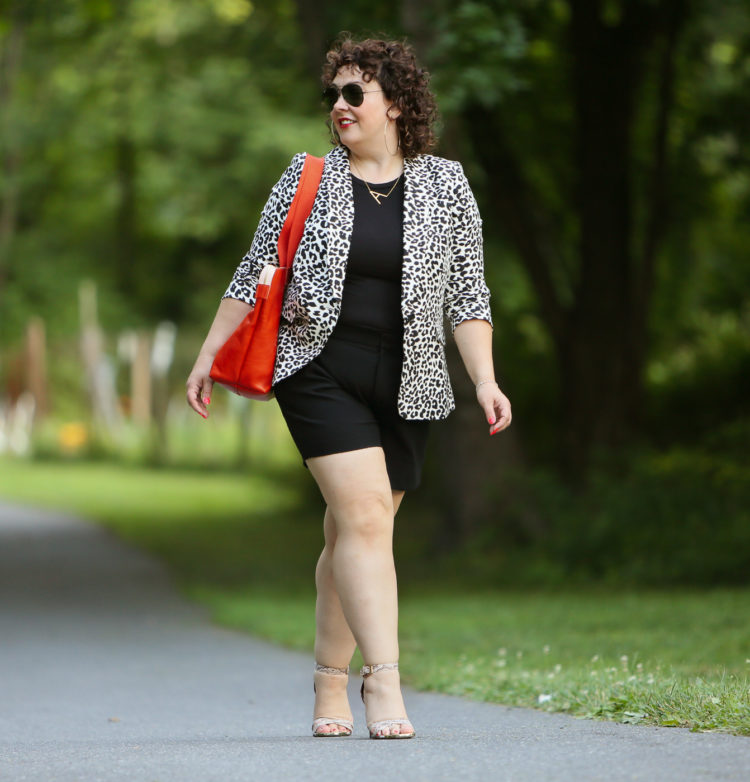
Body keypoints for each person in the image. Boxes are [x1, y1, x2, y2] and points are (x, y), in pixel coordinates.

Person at [186, 36, 512, 740]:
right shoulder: (307, 177)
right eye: (332, 94)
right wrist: (207, 355)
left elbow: (469, 293)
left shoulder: (447, 185)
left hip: (411, 380)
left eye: (354, 92)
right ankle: (383, 682)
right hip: (318, 368)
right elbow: (253, 274)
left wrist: (485, 379)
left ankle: (327, 685)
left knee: (349, 533)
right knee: (366, 519)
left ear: (395, 103)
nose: (339, 105)